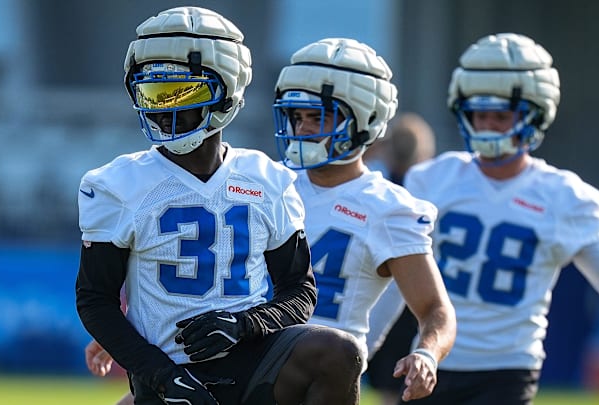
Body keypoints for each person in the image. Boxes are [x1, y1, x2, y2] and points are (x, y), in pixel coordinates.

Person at [75, 7, 363, 405]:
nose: (163, 109)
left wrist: (242, 325)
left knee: (340, 352)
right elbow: (95, 299)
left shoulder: (267, 178)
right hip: (167, 370)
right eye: (152, 93)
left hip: (254, 360)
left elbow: (299, 289)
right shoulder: (116, 184)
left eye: (179, 92)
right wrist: (162, 377)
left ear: (226, 91)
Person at [400, 33, 599, 404]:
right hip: (433, 355)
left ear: (533, 114)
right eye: (480, 114)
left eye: (501, 115)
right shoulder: (432, 179)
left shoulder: (562, 196)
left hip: (508, 366)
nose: (489, 125)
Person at [272, 37, 457, 403]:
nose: (305, 129)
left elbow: (436, 309)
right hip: (253, 368)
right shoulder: (266, 183)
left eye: (319, 117)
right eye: (298, 117)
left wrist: (427, 353)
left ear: (365, 119)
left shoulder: (388, 208)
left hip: (321, 384)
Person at [361, 113, 438, 405]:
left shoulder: (379, 186)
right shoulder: (420, 188)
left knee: (391, 380)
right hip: (413, 284)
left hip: (386, 287)